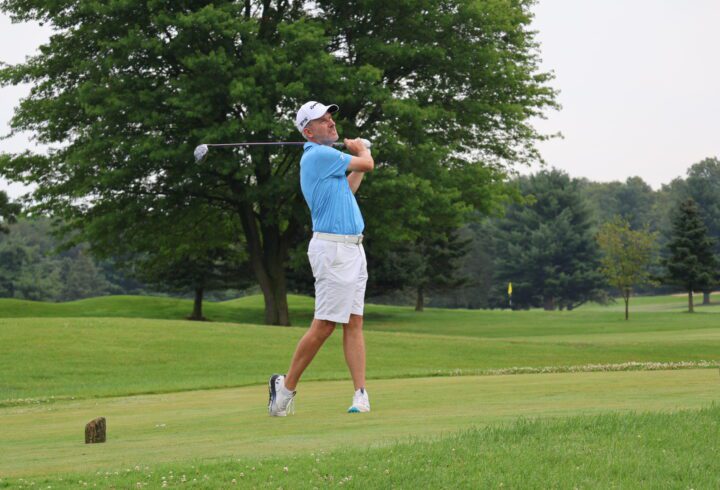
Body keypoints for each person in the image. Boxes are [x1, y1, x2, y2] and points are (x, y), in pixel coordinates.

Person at [268, 101, 374, 416]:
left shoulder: (330, 163)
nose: (330, 122)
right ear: (308, 131)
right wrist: (362, 151)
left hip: (354, 249)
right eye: (322, 120)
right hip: (332, 250)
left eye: (330, 118)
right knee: (325, 324)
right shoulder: (318, 155)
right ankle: (284, 390)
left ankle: (360, 394)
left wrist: (359, 158)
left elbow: (351, 186)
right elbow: (366, 165)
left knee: (354, 321)